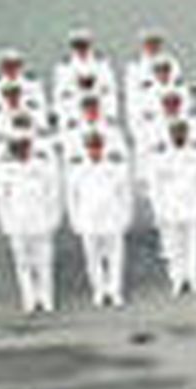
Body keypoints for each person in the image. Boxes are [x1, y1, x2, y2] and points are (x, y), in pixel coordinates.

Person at [65, 127, 134, 307]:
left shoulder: (114, 166)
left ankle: (115, 291)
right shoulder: (77, 168)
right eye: (91, 147)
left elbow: (124, 193)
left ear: (103, 147)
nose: (94, 150)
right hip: (88, 219)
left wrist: (126, 215)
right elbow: (72, 196)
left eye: (97, 146)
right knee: (93, 258)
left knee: (115, 257)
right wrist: (75, 219)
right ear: (85, 148)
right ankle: (99, 291)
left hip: (112, 217)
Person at [0, 130, 62, 313]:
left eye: (24, 148)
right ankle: (29, 299)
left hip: (41, 220)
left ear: (30, 148)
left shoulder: (41, 165)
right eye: (17, 149)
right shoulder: (6, 169)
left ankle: (46, 299)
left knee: (44, 263)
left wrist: (54, 217)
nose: (21, 152)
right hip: (17, 223)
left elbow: (52, 193)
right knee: (23, 264)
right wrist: (5, 223)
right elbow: (3, 199)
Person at [148, 115, 196, 297]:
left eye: (182, 133)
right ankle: (177, 279)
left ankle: (193, 279)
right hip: (170, 206)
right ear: (170, 135)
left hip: (192, 203)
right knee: (174, 245)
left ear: (187, 134)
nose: (179, 136)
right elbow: (155, 185)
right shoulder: (161, 156)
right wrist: (158, 208)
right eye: (175, 133)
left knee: (193, 244)